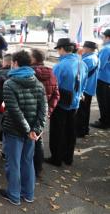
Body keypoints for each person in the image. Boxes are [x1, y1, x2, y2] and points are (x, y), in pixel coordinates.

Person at [0, 50, 46, 206]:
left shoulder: (9, 83)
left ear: (16, 63)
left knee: (14, 164)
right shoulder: (38, 83)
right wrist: (36, 130)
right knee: (27, 162)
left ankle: (14, 195)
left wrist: (29, 130)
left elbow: (14, 110)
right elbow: (43, 109)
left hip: (14, 130)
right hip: (31, 132)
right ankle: (28, 194)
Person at [46, 38, 87, 167]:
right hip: (75, 102)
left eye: (58, 49)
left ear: (62, 49)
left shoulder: (60, 65)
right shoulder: (82, 63)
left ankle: (56, 158)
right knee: (71, 130)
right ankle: (68, 158)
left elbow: (53, 86)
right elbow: (84, 83)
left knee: (58, 131)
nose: (58, 52)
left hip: (61, 103)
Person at [30, 48, 59, 177]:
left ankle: (27, 169)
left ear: (34, 59)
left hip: (29, 111)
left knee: (26, 139)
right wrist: (48, 111)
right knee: (38, 139)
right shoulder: (52, 73)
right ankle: (38, 168)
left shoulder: (29, 73)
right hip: (43, 113)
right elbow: (56, 95)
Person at [92, 29, 110, 129]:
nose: (102, 39)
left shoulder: (106, 49)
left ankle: (104, 122)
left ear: (108, 37)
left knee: (103, 101)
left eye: (103, 37)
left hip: (103, 78)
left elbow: (100, 65)